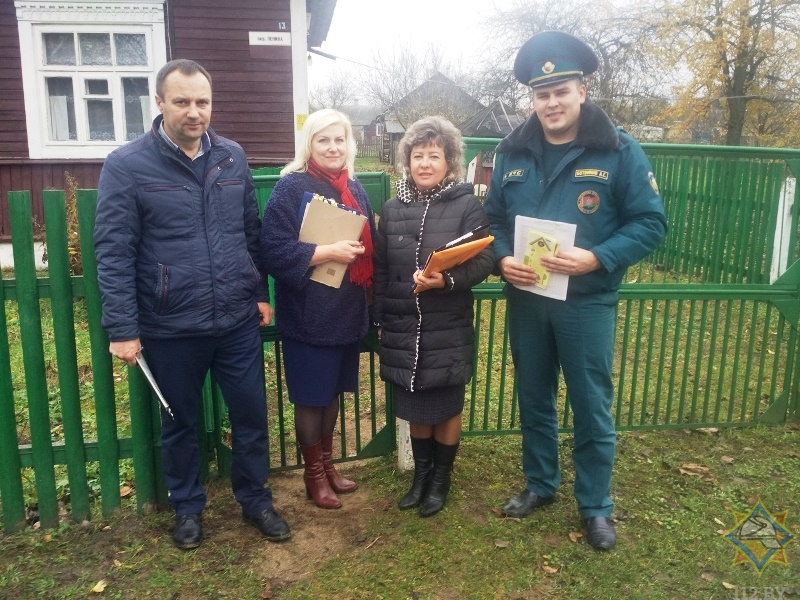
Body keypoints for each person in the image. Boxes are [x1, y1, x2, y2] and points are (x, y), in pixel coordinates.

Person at [94, 59, 290, 549]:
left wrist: (259, 291)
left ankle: (256, 500)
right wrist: (122, 328)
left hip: (236, 320)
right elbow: (114, 250)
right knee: (180, 423)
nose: (194, 112)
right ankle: (187, 509)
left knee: (250, 416)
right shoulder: (127, 165)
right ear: (158, 104)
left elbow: (250, 231)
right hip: (169, 323)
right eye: (181, 101)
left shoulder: (232, 157)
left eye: (202, 101)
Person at [483, 31, 667, 550]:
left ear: (582, 90)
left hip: (586, 302)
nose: (551, 102)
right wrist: (501, 257)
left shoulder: (618, 150)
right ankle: (541, 483)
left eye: (561, 90)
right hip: (527, 298)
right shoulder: (512, 151)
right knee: (533, 396)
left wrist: (598, 257)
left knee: (590, 404)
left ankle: (596, 506)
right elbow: (493, 218)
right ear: (532, 100)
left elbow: (650, 224)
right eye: (542, 94)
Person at [373, 116, 495, 517]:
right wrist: (379, 316)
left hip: (447, 323)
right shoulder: (392, 209)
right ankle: (420, 477)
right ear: (407, 161)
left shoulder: (465, 204)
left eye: (434, 156)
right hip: (404, 324)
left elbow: (485, 259)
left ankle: (441, 480)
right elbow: (379, 266)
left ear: (449, 162)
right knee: (415, 406)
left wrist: (446, 281)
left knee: (447, 405)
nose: (425, 163)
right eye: (418, 155)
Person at [260, 109, 376, 510]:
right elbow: (272, 250)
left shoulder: (354, 188)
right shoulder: (290, 188)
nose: (332, 147)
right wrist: (326, 251)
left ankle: (327, 467)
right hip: (309, 314)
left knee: (332, 396)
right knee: (311, 398)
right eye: (323, 140)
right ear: (309, 144)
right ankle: (313, 478)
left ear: (350, 145)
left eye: (339, 140)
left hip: (345, 311)